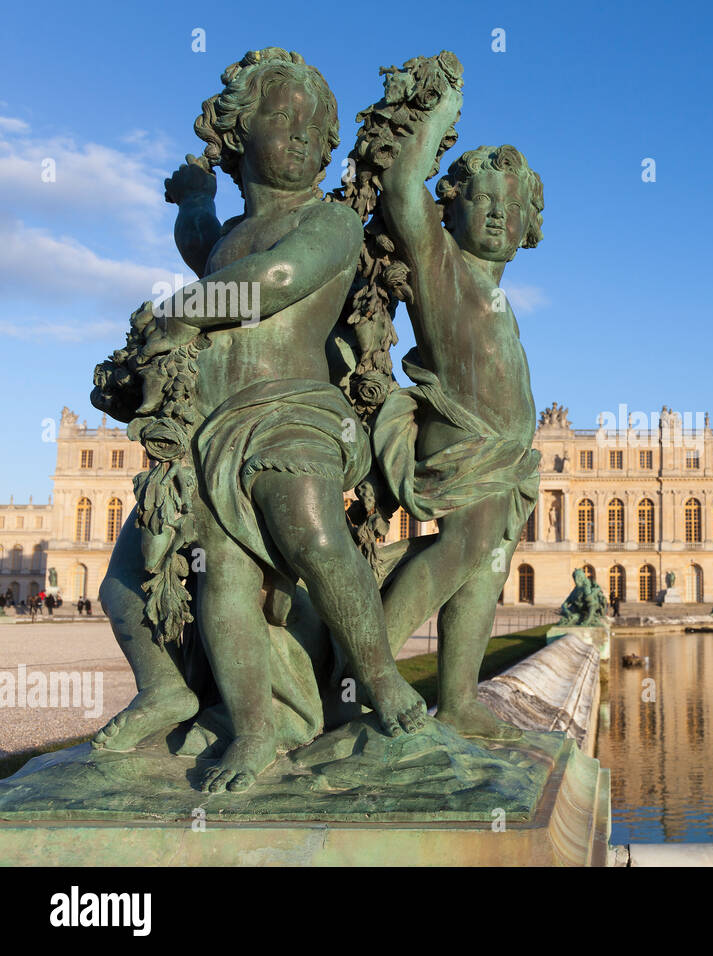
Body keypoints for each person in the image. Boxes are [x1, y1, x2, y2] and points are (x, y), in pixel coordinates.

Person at [92, 48, 426, 794]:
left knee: (309, 530)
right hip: (212, 425)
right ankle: (249, 727)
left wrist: (178, 312)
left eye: (317, 127)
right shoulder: (229, 235)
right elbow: (208, 252)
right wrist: (192, 202)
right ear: (240, 133)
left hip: (292, 413)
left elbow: (267, 284)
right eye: (284, 120)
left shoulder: (330, 222)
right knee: (218, 579)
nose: (304, 136)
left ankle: (384, 683)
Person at [370, 74, 546, 741]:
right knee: (464, 545)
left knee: (487, 566)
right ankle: (367, 672)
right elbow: (399, 190)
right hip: (463, 439)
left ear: (530, 222)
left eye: (513, 205)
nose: (500, 214)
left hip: (503, 453)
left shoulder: (499, 298)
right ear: (452, 206)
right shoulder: (442, 265)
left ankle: (458, 700)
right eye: (485, 199)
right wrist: (441, 109)